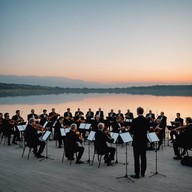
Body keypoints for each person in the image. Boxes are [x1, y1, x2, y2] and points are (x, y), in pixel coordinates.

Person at [129, 107, 150, 178]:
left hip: (136, 141)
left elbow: (131, 131)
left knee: (136, 158)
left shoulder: (134, 120)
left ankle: (137, 174)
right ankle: (143, 172)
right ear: (143, 112)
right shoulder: (146, 120)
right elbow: (148, 129)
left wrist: (130, 129)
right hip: (143, 141)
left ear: (137, 112)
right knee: (143, 157)